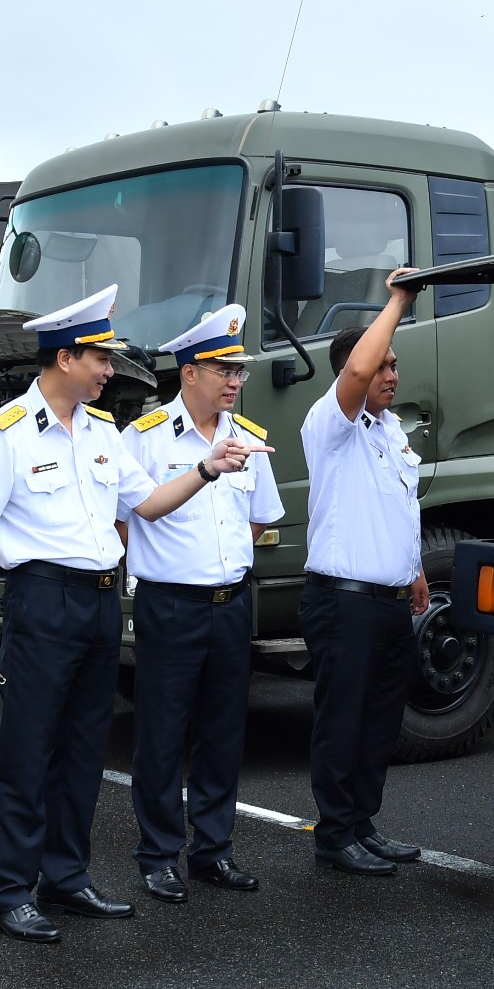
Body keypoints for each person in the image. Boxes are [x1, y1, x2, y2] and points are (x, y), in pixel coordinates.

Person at [0, 285, 265, 944]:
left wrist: (208, 469)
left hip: (99, 599)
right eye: (100, 358)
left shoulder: (101, 432)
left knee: (84, 751)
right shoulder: (3, 433)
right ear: (66, 357)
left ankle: (66, 878)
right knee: (28, 752)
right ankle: (10, 890)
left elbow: (148, 505)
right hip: (41, 602)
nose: (109, 370)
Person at [121, 305, 284, 904]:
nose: (235, 379)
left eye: (238, 368)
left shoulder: (251, 441)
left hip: (231, 603)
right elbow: (123, 520)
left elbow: (262, 518)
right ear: (189, 372)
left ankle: (213, 850)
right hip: (170, 604)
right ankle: (159, 854)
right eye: (222, 368)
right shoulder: (141, 440)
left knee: (223, 731)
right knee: (162, 733)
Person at [297, 270, 429, 876]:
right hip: (343, 602)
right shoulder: (331, 424)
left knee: (380, 720)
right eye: (382, 365)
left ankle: (363, 824)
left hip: (388, 600)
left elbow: (397, 505)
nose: (391, 374)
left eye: (395, 365)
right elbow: (353, 373)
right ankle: (335, 834)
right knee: (343, 720)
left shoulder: (390, 429)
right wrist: (397, 300)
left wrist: (415, 569)